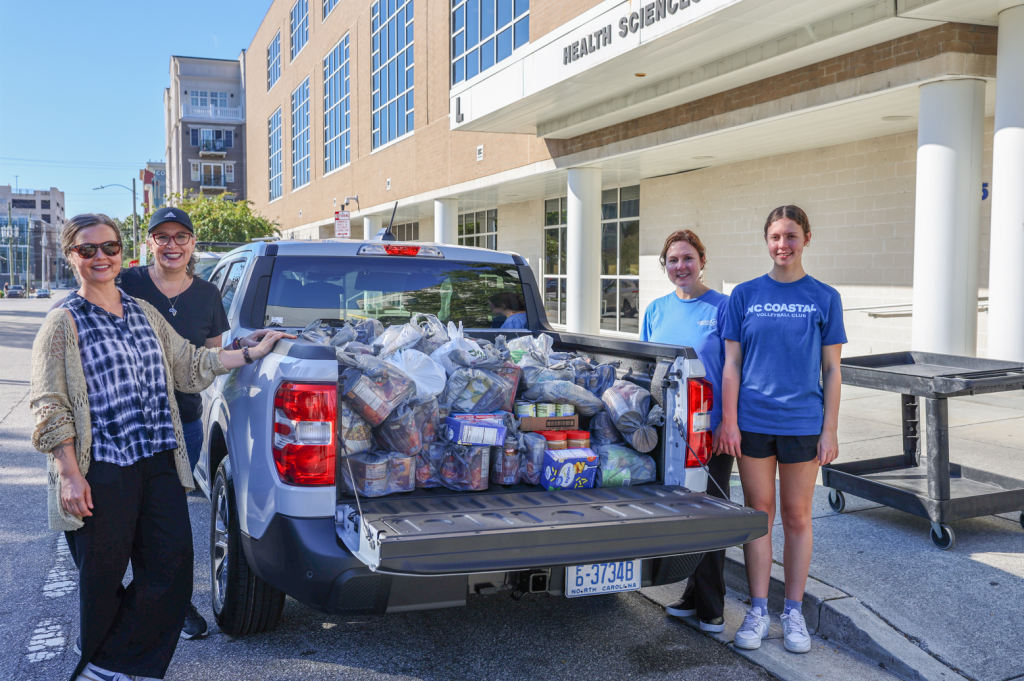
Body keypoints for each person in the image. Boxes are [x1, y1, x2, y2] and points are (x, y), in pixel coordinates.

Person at [29, 214, 290, 681]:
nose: (100, 258)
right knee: (102, 579)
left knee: (170, 568)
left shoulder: (143, 313)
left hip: (158, 461)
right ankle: (111, 666)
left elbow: (191, 364)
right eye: (87, 250)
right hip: (100, 469)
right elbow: (49, 405)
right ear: (71, 257)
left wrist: (251, 351)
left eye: (108, 248)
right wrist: (68, 472)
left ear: (120, 252)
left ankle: (113, 664)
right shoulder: (62, 322)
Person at [718, 205, 846, 655]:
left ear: (807, 238)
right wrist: (729, 420)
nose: (782, 245)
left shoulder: (824, 296)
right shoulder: (745, 294)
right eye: (775, 236)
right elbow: (731, 362)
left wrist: (829, 430)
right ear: (766, 240)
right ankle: (757, 610)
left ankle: (793, 612)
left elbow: (832, 370)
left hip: (802, 425)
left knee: (797, 516)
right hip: (752, 421)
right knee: (759, 514)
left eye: (791, 236)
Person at [640, 230, 731, 634]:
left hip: (708, 434)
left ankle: (712, 607)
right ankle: (692, 595)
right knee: (681, 516)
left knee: (709, 515)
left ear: (702, 260)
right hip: (666, 433)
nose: (681, 266)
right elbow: (644, 371)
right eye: (673, 260)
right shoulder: (656, 310)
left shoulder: (724, 308)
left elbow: (734, 371)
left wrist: (730, 424)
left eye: (688, 258)